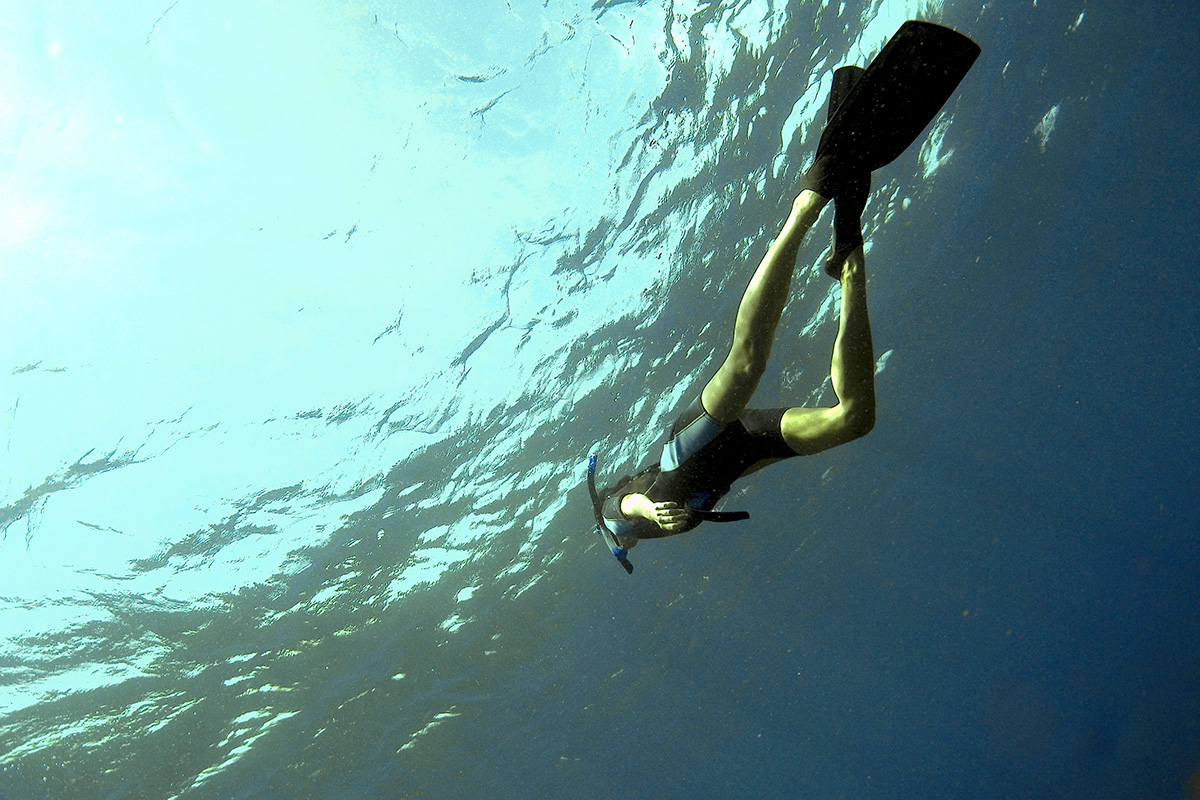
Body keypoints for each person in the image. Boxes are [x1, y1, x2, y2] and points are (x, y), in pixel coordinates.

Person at [588, 21, 980, 570]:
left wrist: (645, 513)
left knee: (746, 363)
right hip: (744, 447)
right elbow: (726, 479)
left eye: (619, 541)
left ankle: (806, 206)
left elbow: (618, 502)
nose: (622, 543)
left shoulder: (614, 519)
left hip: (690, 442)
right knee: (854, 419)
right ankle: (850, 263)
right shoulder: (648, 537)